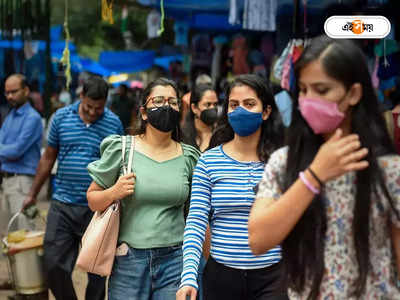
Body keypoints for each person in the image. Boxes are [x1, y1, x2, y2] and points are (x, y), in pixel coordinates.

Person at [248, 36, 400, 299]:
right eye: (304, 90)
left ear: (353, 93)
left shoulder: (388, 170)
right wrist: (314, 176)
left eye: (322, 90)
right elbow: (259, 239)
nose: (309, 100)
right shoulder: (285, 162)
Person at [86, 77, 200, 300]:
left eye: (172, 102)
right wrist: (113, 192)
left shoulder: (189, 157)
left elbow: (197, 213)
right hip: (129, 261)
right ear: (144, 112)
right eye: (158, 100)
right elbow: (92, 199)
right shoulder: (122, 149)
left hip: (175, 260)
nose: (166, 106)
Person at [177, 74, 287, 300]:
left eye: (249, 104)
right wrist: (188, 275)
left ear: (265, 112)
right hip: (221, 277)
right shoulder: (208, 162)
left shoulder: (281, 161)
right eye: (234, 105)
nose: (240, 111)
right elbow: (196, 222)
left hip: (274, 277)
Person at [23, 76, 124, 300]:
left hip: (98, 209)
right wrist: (32, 194)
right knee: (52, 263)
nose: (93, 112)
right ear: (81, 97)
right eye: (89, 106)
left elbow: (118, 165)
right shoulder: (61, 118)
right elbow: (48, 158)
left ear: (106, 102)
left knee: (98, 271)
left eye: (99, 108)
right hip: (63, 204)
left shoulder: (113, 123)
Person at [0, 74, 43, 231]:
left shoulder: (33, 118)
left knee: (25, 236)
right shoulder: (10, 116)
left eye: (14, 91)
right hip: (7, 181)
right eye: (7, 92)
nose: (9, 96)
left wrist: (5, 150)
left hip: (23, 183)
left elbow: (16, 150)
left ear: (26, 91)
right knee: (9, 238)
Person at [182, 83, 219, 152]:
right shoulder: (183, 137)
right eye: (208, 104)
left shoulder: (221, 135)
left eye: (215, 104)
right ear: (194, 108)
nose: (212, 108)